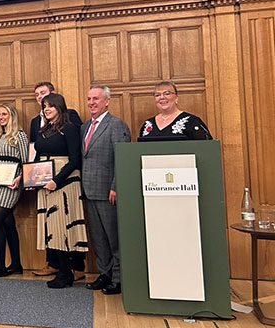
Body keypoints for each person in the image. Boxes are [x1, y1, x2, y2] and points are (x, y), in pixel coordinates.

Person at [29, 81, 84, 280]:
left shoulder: (69, 127)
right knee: (51, 226)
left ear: (59, 106)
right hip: (45, 182)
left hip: (64, 181)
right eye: (44, 107)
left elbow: (75, 159)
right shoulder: (43, 129)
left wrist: (57, 181)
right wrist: (28, 179)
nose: (46, 109)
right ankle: (60, 268)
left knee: (63, 225)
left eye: (50, 105)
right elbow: (37, 155)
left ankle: (68, 271)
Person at [81, 85, 131, 295]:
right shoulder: (84, 127)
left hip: (108, 192)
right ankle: (105, 274)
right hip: (89, 191)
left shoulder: (116, 125)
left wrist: (116, 186)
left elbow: (123, 158)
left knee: (114, 237)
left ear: (107, 101)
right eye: (89, 99)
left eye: (96, 99)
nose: (92, 102)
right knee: (98, 238)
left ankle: (119, 279)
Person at [0, 103, 28, 278]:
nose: (1, 117)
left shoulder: (20, 136)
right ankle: (16, 264)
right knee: (8, 223)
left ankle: (0, 265)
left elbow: (26, 162)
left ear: (12, 116)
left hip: (12, 184)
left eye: (4, 114)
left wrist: (21, 178)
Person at [139, 81, 212, 140]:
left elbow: (206, 148)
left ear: (176, 98)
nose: (162, 97)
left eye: (167, 94)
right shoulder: (148, 124)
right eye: (157, 95)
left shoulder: (192, 121)